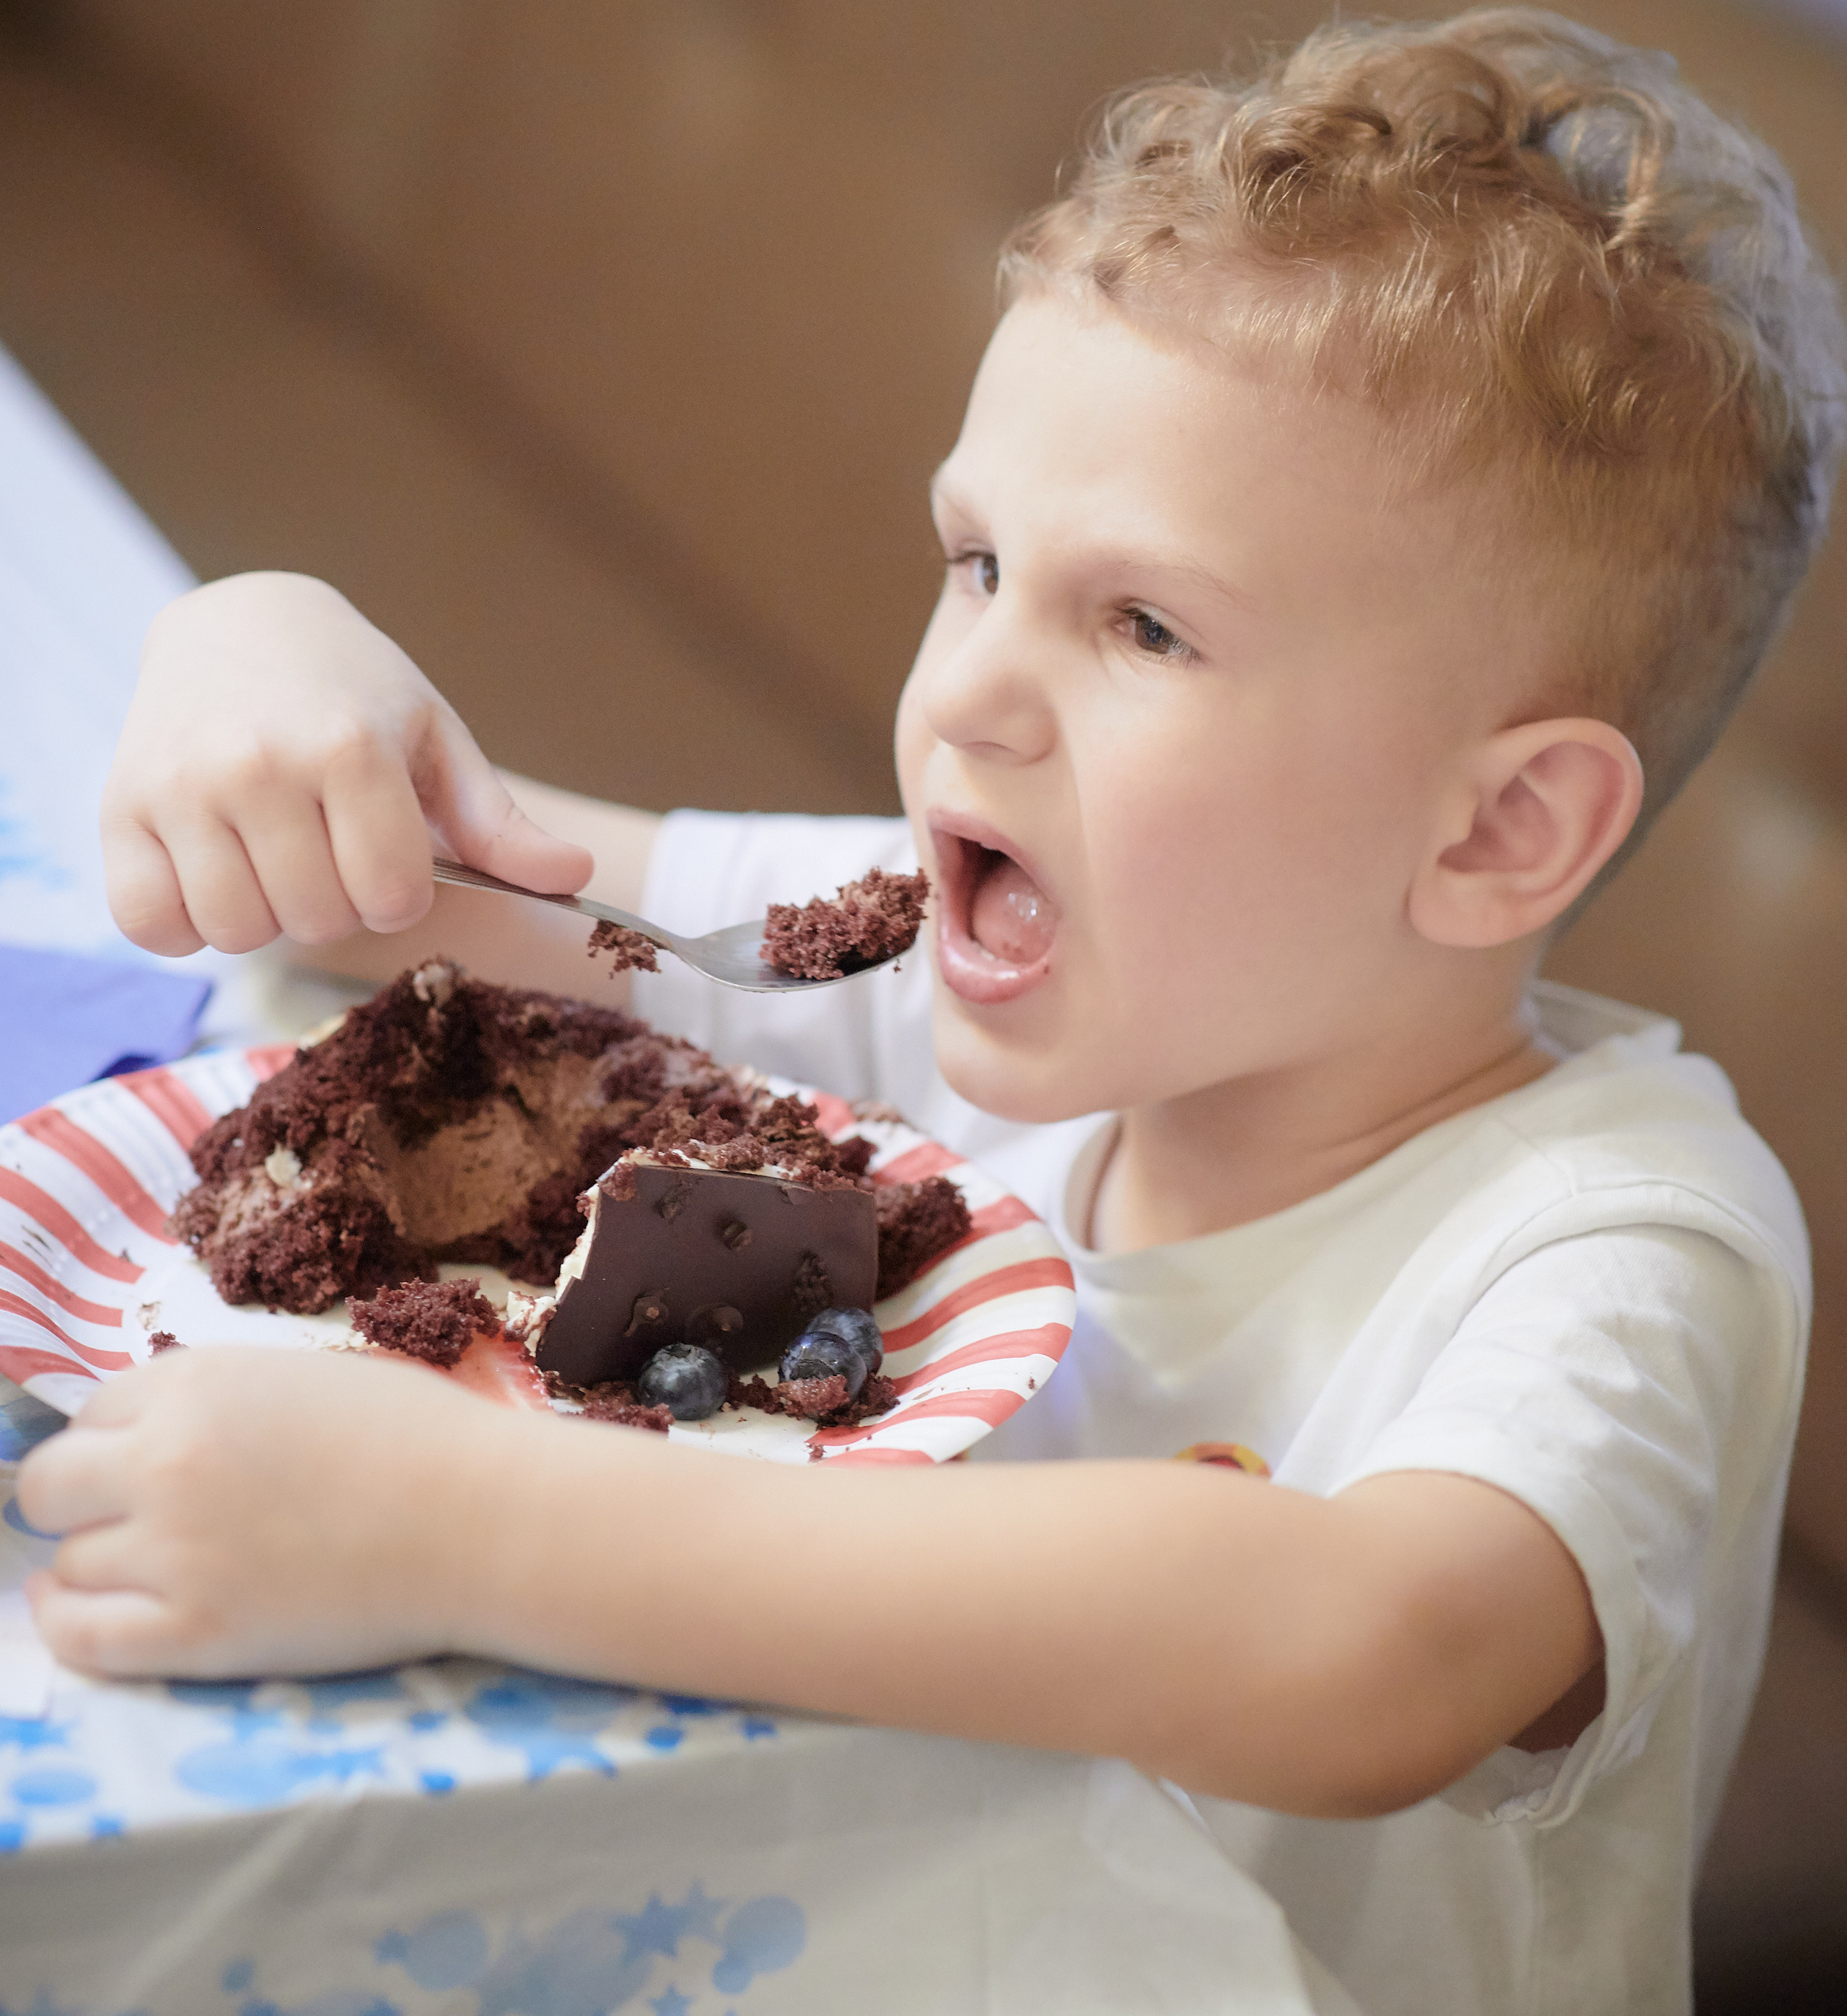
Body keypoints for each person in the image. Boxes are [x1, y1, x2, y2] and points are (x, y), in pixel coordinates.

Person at [20, 9, 1843, 2012]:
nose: (965, 696)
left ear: (1498, 828)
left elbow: (1361, 1645)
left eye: (1142, 623)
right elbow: (458, 890)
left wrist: (465, 1525)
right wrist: (260, 647)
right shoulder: (980, 951)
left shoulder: (1627, 1239)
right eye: (976, 562)